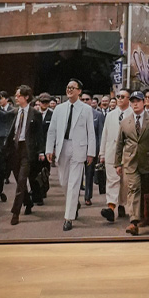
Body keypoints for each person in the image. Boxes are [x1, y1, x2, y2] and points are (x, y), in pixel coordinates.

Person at [44, 79, 96, 230]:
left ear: (79, 91)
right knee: (64, 182)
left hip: (78, 148)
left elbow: (91, 132)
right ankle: (74, 203)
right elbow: (52, 130)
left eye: (73, 88)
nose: (70, 90)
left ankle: (68, 218)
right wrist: (49, 149)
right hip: (63, 147)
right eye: (68, 87)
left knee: (74, 183)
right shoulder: (59, 109)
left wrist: (91, 152)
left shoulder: (86, 109)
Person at [115, 92, 149, 236]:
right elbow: (119, 144)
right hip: (131, 162)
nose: (135, 104)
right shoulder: (125, 122)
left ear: (144, 102)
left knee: (146, 191)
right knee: (134, 189)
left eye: (138, 101)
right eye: (133, 101)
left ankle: (145, 216)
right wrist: (118, 163)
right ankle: (134, 221)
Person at [5, 84, 42, 225]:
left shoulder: (35, 114)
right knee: (18, 180)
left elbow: (39, 135)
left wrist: (41, 151)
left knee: (21, 180)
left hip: (27, 150)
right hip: (14, 149)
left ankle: (15, 212)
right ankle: (28, 202)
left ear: (26, 97)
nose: (16, 98)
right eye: (16, 95)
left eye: (19, 95)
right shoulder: (13, 113)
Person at [99, 89, 135, 222]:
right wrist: (102, 153)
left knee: (125, 183)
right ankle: (111, 207)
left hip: (128, 154)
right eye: (118, 96)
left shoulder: (134, 114)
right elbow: (105, 134)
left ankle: (121, 204)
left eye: (122, 96)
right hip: (111, 152)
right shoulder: (110, 115)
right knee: (112, 181)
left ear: (129, 99)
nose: (119, 99)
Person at [84, 97, 107, 207]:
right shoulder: (76, 114)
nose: (85, 101)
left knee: (89, 174)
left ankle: (88, 196)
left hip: (92, 150)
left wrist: (100, 151)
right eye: (82, 99)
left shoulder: (98, 115)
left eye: (87, 99)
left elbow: (101, 134)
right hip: (78, 149)